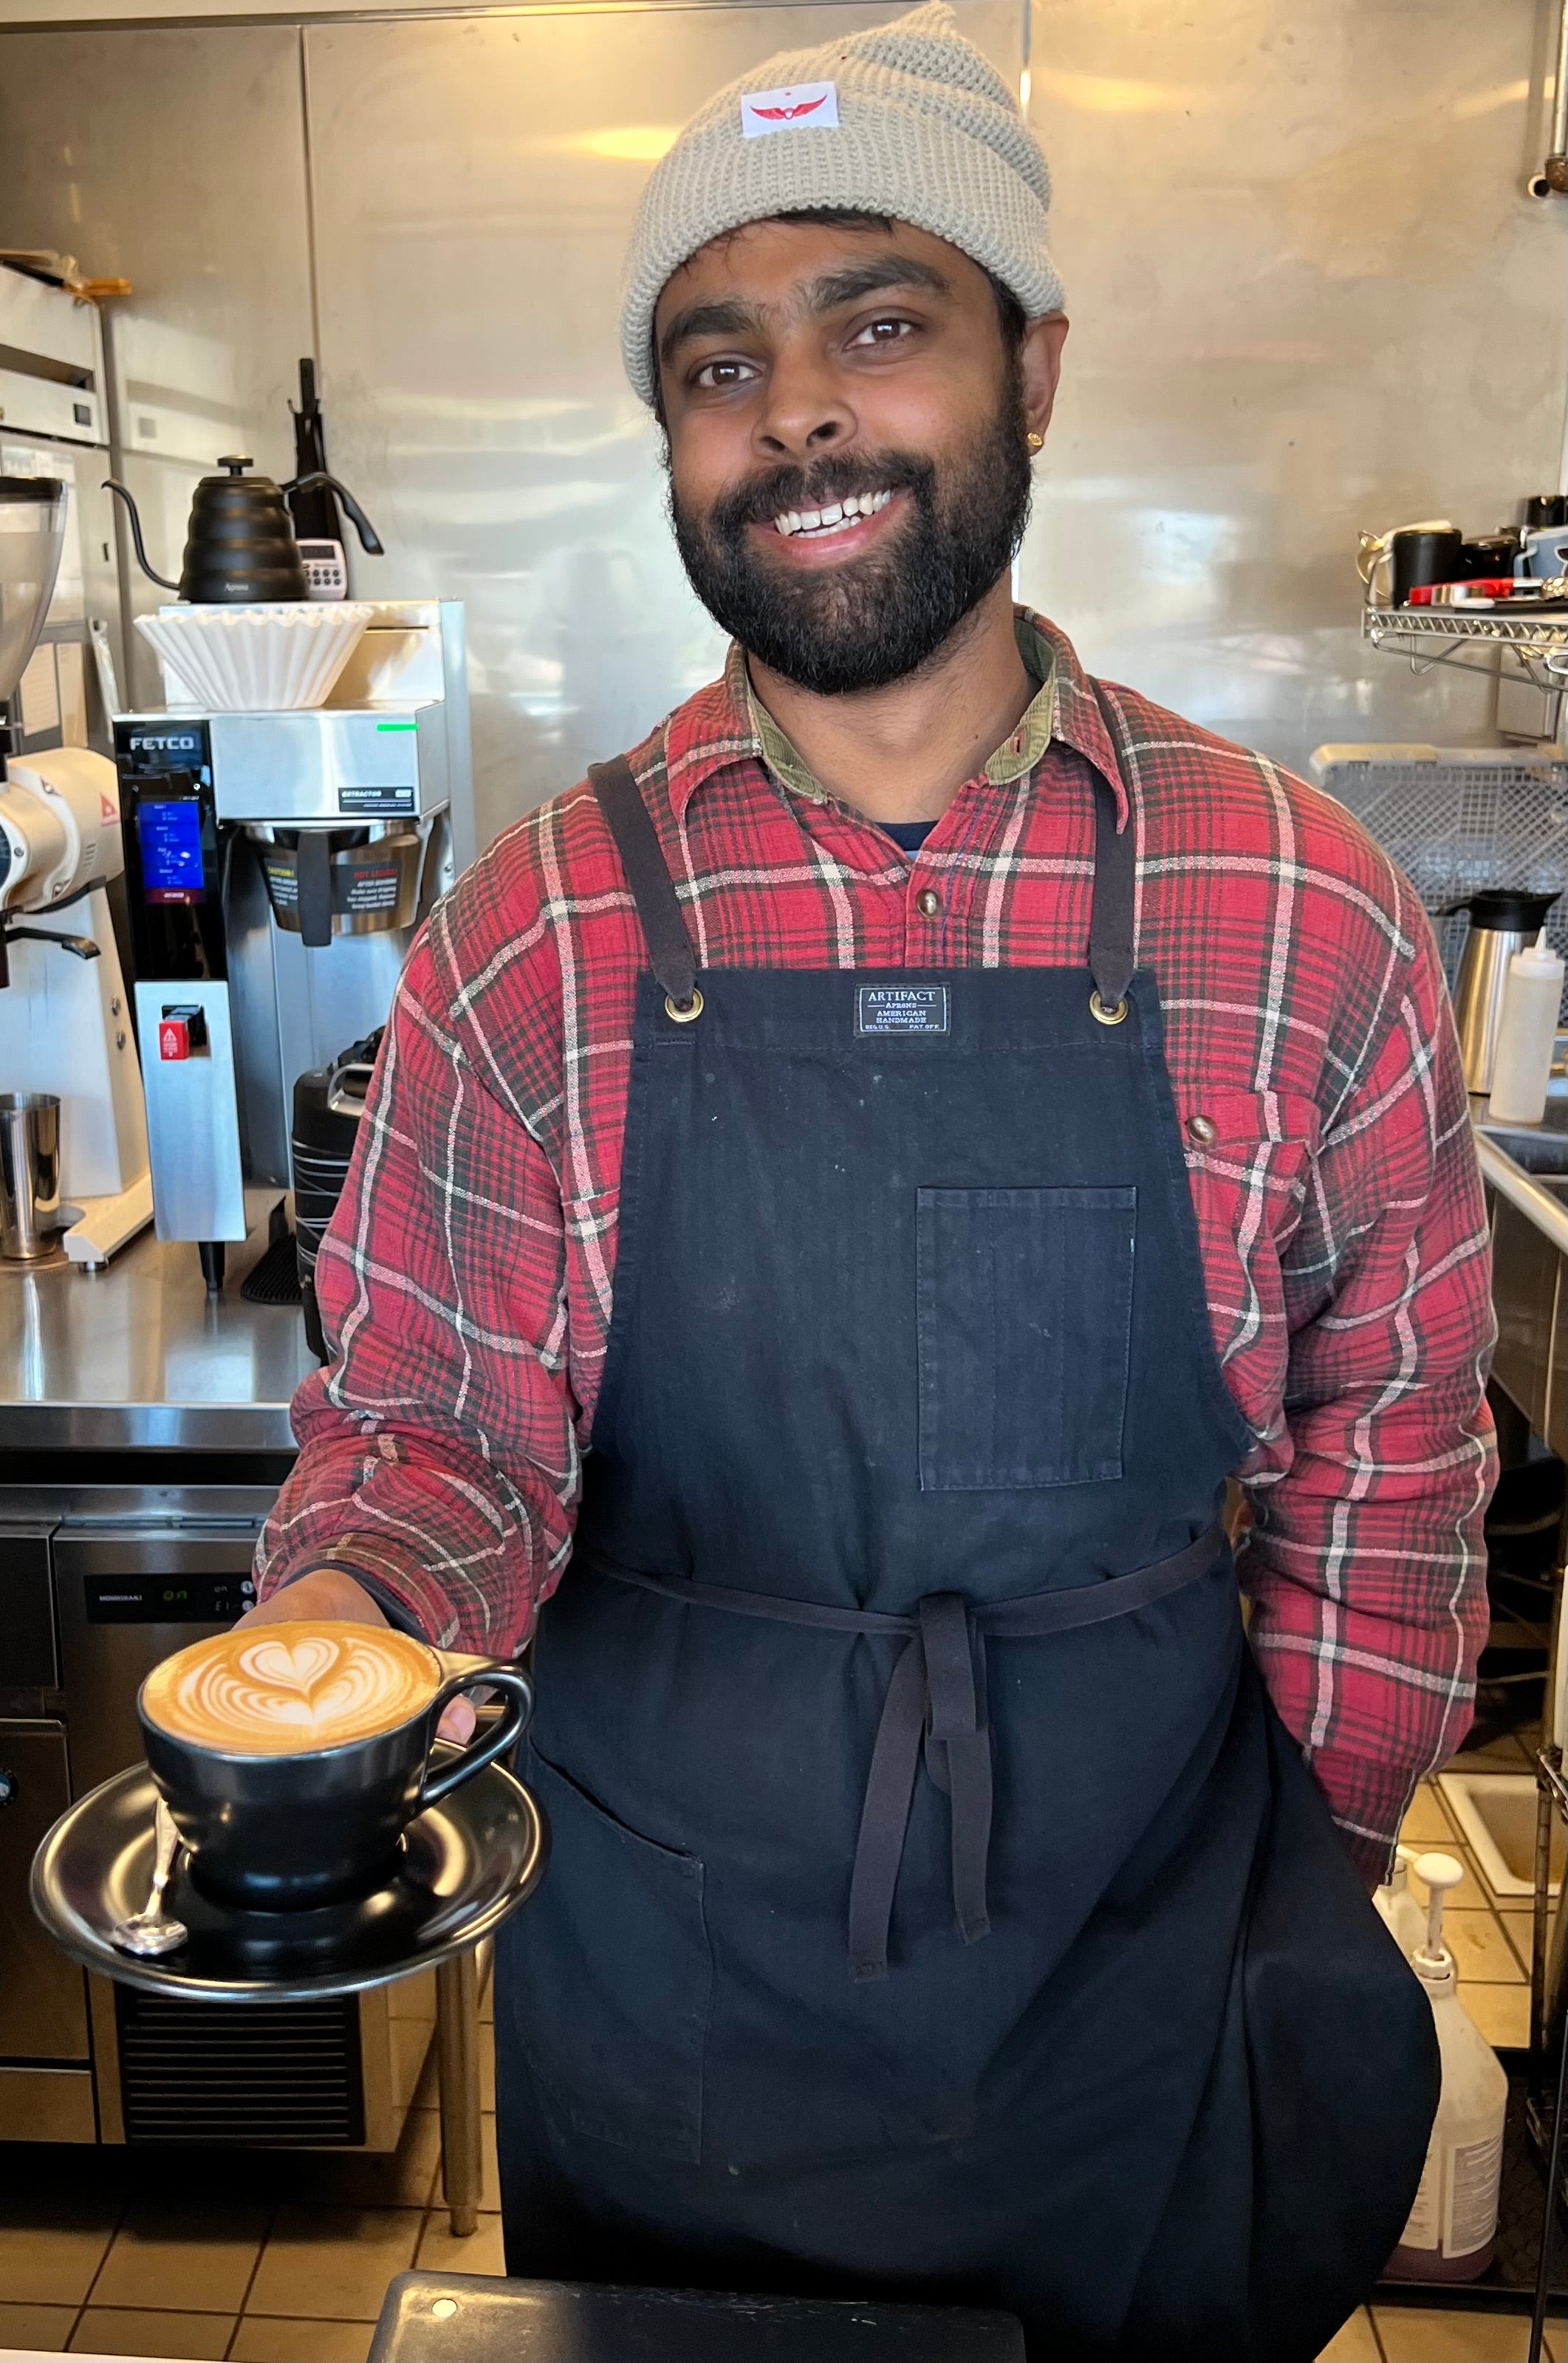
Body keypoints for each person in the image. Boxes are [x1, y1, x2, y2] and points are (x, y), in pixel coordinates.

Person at [244, 8, 1497, 2353]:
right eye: (718, 366)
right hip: (675, 1983)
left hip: (1158, 1950)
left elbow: (1396, 1442)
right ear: (673, 447)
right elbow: (434, 1426)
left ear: (1033, 370)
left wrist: (1301, 1860)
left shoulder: (1290, 900)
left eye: (879, 326)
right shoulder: (531, 937)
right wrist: (358, 1628)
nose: (798, 412)